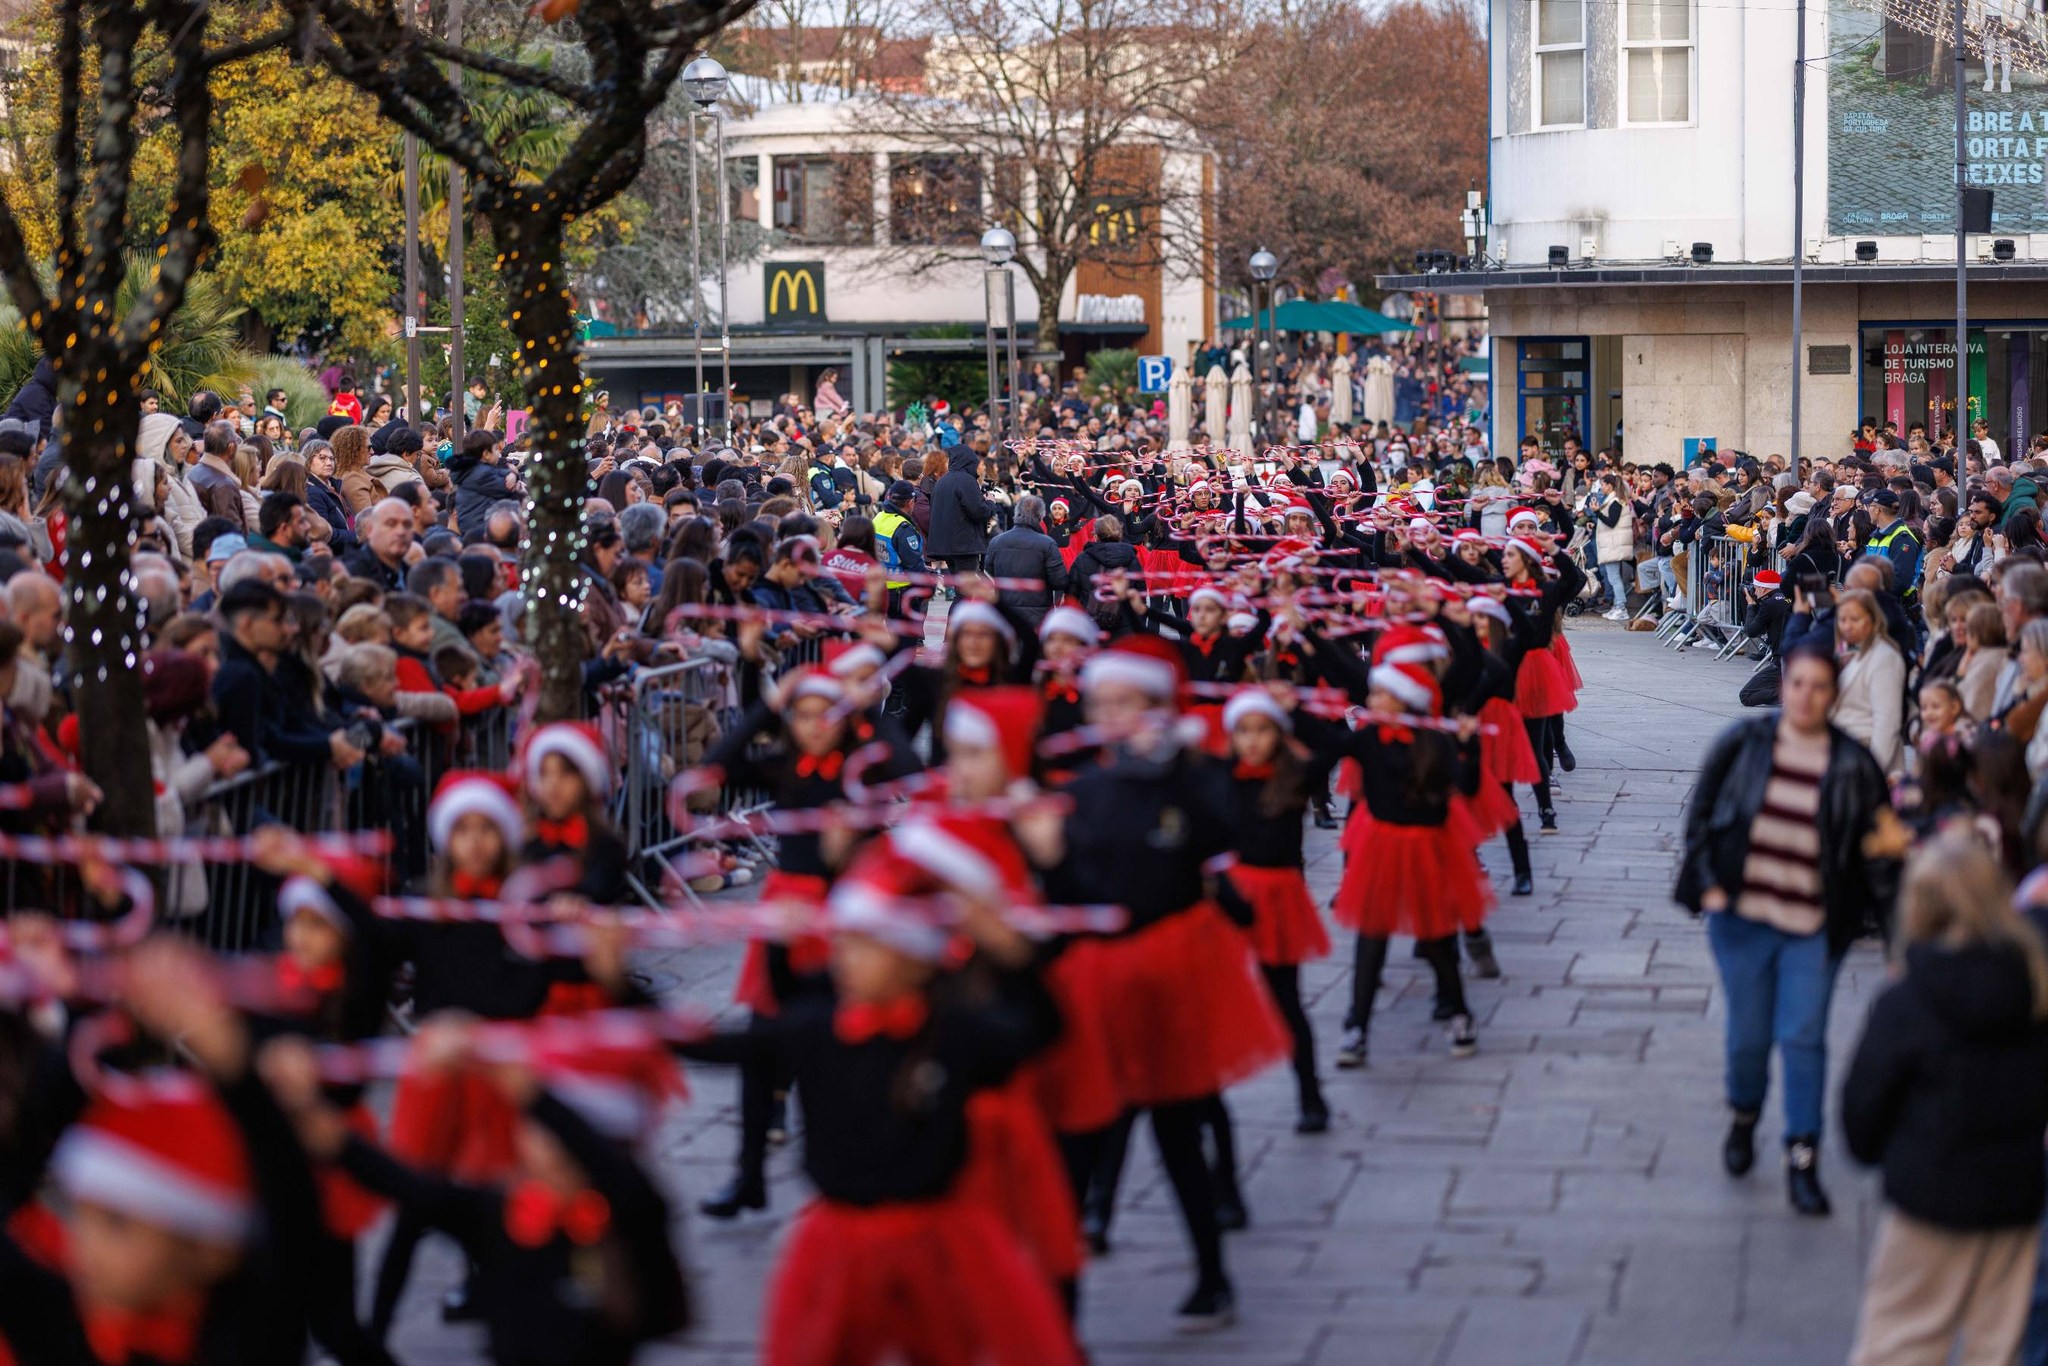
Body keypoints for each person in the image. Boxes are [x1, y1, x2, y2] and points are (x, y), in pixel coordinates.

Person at [1676, 646, 1901, 1216]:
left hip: (1814, 928)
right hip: (1742, 922)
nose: (1806, 696)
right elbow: (1700, 816)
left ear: (1834, 695)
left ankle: (1803, 1156)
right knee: (1748, 1038)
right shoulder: (1743, 743)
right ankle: (1744, 1114)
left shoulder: (1854, 766)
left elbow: (1880, 861)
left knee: (1803, 1037)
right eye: (1797, 683)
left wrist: (1899, 944)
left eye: (1819, 686)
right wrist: (1710, 886)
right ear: (1783, 686)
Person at [1844, 832, 2048, 1366]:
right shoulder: (2035, 989)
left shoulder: (1908, 1000)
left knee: (1900, 1342)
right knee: (1997, 1347)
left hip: (1930, 1199)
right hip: (2015, 1199)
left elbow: (1861, 1119)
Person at [1833, 588, 1909, 777]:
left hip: (1866, 758)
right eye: (1842, 620)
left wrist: (1873, 772)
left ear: (1872, 619)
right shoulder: (1850, 652)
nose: (1847, 626)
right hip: (1845, 756)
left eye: (1855, 619)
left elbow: (1887, 722)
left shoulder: (1884, 657)